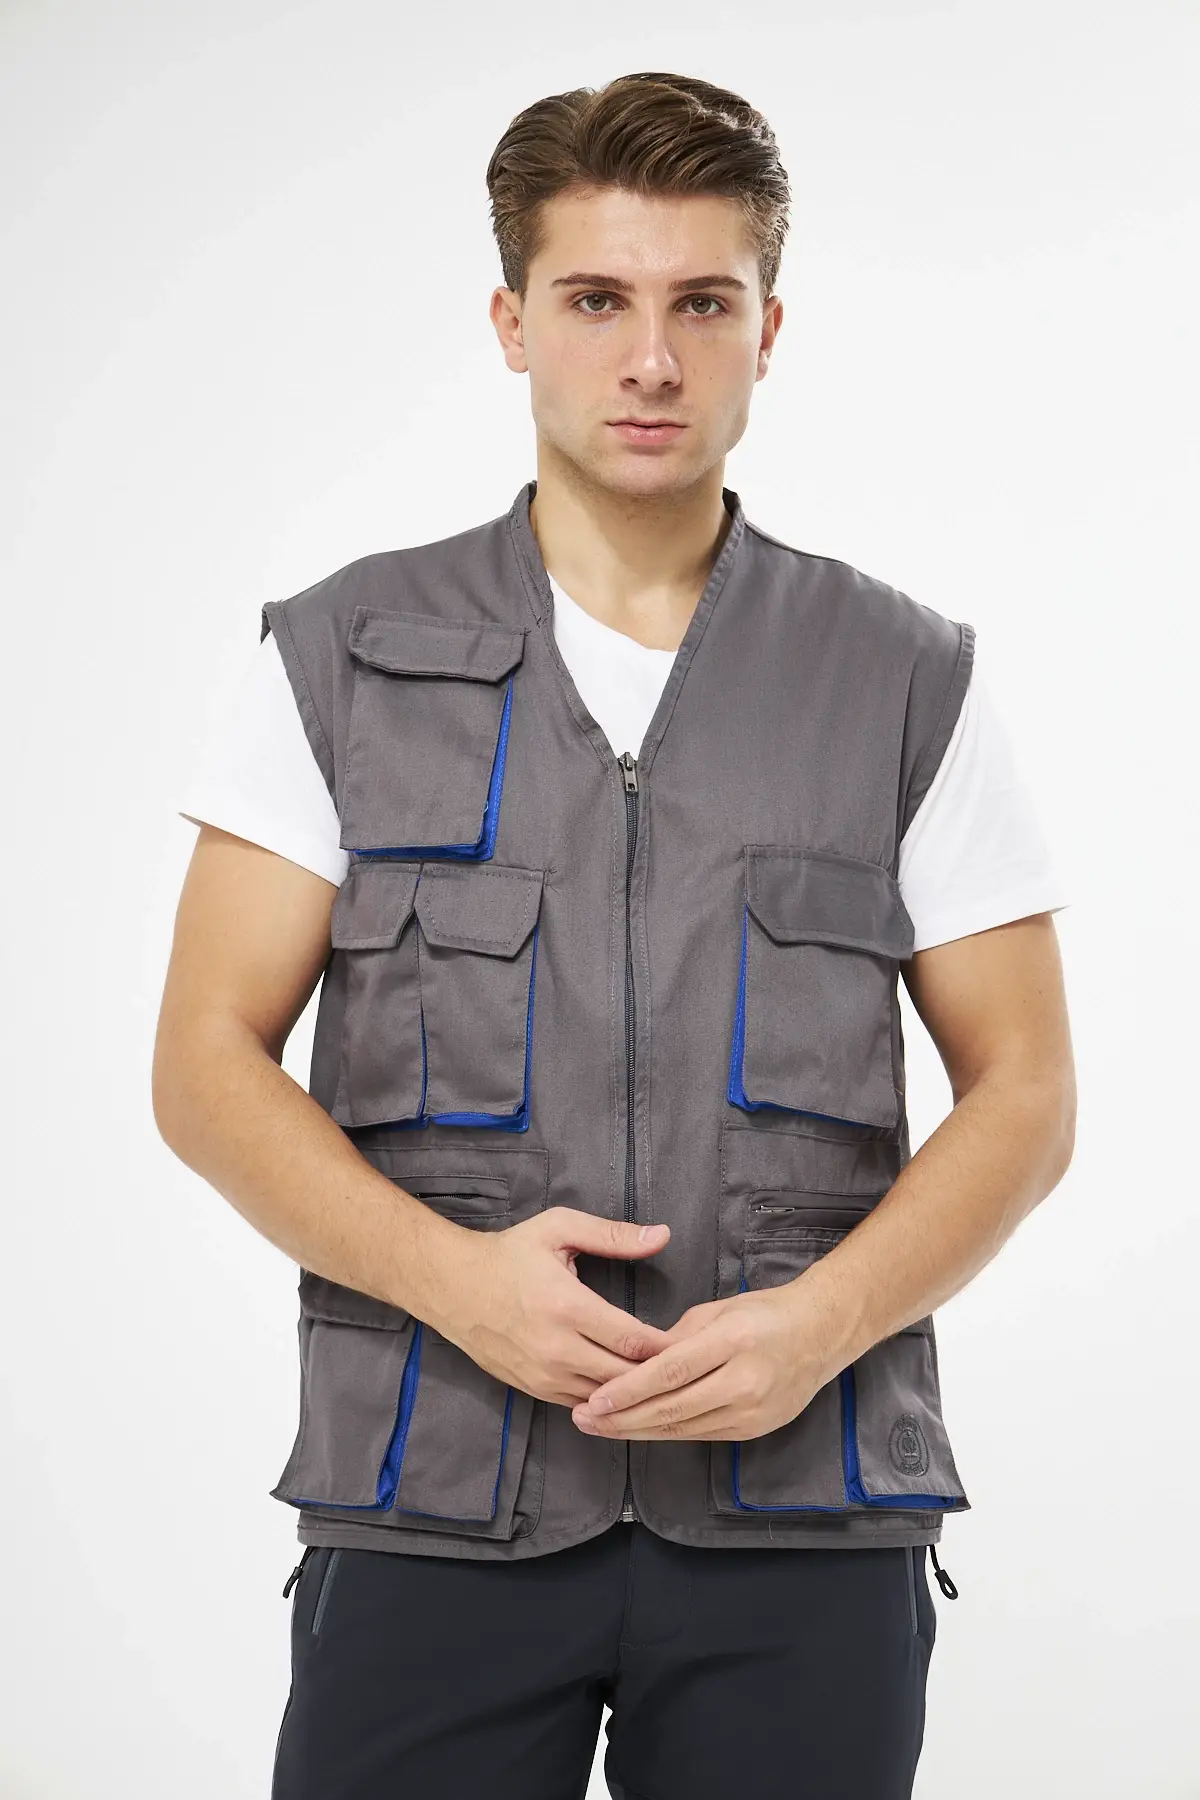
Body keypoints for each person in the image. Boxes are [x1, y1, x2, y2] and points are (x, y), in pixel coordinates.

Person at [153, 69, 1076, 1800]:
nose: (650, 359)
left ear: (767, 330)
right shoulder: (334, 658)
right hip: (434, 1496)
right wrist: (455, 1285)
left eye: (701, 304)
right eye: (596, 301)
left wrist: (822, 1324)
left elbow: (1026, 1092)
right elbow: (205, 1064)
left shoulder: (905, 679)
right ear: (513, 322)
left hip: (801, 1517)